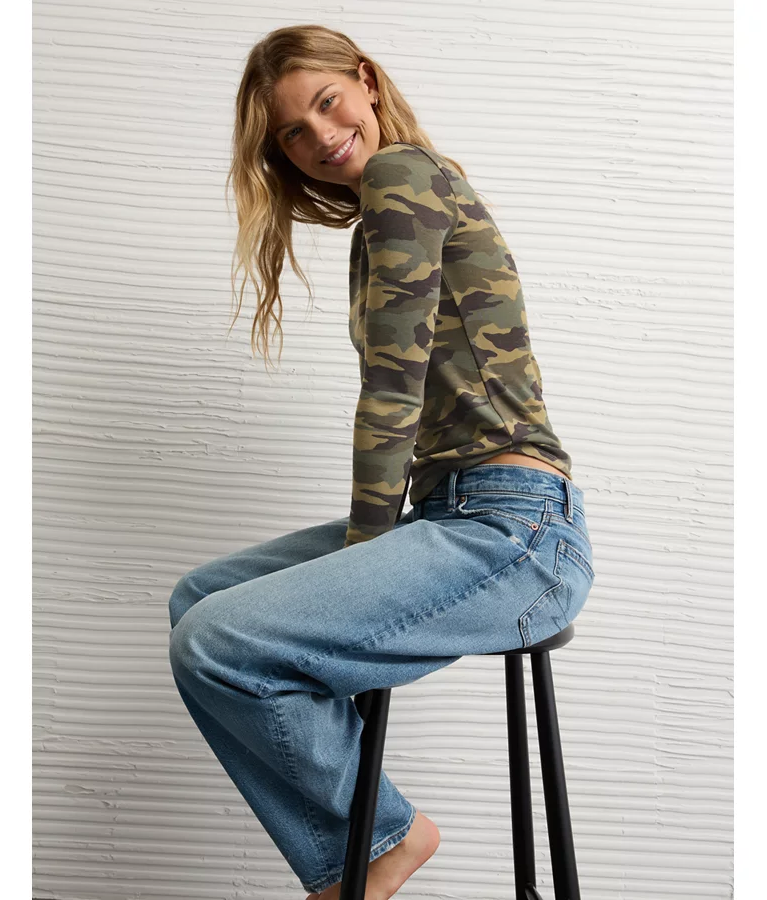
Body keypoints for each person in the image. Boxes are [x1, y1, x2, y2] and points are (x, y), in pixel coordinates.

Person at [167, 24, 595, 900]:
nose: (321, 137)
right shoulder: (386, 206)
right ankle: (363, 844)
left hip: (515, 529)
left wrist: (367, 546)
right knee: (200, 600)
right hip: (454, 510)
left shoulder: (403, 174)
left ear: (365, 80)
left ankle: (377, 846)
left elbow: (393, 392)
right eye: (293, 133)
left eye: (327, 104)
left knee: (218, 641)